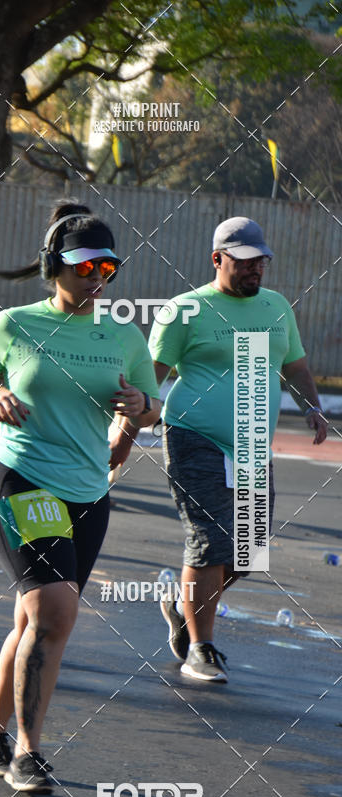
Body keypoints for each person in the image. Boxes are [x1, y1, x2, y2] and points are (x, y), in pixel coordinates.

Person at [0, 201, 161, 792]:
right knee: (55, 614)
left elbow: (151, 404)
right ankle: (27, 753)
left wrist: (139, 414)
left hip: (89, 493)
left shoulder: (122, 336)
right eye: (85, 267)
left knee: (31, 619)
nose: (97, 279)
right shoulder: (14, 325)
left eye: (108, 269)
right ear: (54, 266)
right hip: (21, 480)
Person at [144, 216, 327, 683]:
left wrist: (313, 408)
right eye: (244, 262)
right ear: (217, 259)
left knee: (247, 549)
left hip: (250, 441)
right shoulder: (186, 309)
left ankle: (180, 604)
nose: (254, 270)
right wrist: (124, 435)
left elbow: (296, 363)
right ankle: (201, 648)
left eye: (260, 262)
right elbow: (152, 378)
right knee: (209, 539)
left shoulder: (276, 306)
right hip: (193, 435)